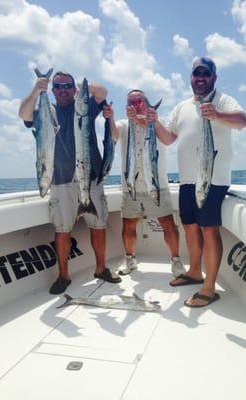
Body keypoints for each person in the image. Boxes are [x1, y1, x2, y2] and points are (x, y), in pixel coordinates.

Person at [151, 56, 246, 307]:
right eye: (197, 74)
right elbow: (168, 138)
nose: (201, 78)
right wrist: (154, 121)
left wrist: (216, 114)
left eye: (206, 74)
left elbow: (243, 121)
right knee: (190, 227)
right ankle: (195, 272)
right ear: (191, 77)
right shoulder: (182, 106)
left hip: (212, 179)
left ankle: (209, 287)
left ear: (214, 77)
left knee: (209, 230)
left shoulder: (223, 101)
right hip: (186, 180)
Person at [19, 71, 121, 295]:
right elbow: (23, 114)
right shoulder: (47, 112)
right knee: (62, 229)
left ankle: (101, 268)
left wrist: (83, 84)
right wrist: (38, 89)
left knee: (99, 225)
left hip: (91, 177)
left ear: (74, 90)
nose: (63, 90)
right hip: (61, 180)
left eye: (68, 86)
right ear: (53, 90)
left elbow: (102, 92)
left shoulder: (84, 107)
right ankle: (63, 275)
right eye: (58, 86)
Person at [103, 89, 184, 277]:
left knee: (167, 223)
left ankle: (176, 261)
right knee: (128, 225)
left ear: (146, 103)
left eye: (139, 101)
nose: (135, 104)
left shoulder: (156, 123)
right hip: (131, 185)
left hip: (156, 184)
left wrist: (150, 120)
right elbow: (113, 135)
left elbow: (168, 140)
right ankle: (130, 260)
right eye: (131, 102)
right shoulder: (124, 125)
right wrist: (110, 117)